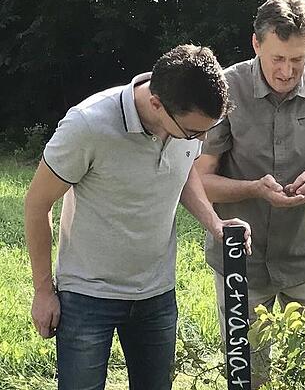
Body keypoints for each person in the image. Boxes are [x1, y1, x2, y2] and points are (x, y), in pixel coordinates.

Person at [24, 44, 252, 390]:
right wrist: (43, 290)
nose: (202, 139)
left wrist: (215, 224)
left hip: (157, 295)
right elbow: (36, 204)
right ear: (157, 104)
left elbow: (185, 170)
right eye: (194, 132)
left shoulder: (187, 121)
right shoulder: (88, 125)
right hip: (87, 295)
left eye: (209, 129)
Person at [195, 0, 305, 388]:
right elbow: (199, 180)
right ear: (256, 44)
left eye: (298, 59)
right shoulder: (226, 88)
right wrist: (254, 188)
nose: (287, 71)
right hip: (241, 262)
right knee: (248, 377)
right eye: (277, 59)